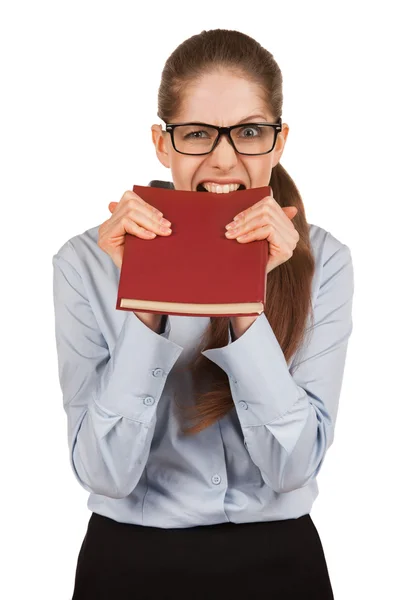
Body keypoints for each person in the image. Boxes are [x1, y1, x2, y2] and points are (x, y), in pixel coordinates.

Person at [52, 28, 353, 600]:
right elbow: (105, 475)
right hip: (128, 566)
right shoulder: (84, 263)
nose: (223, 159)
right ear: (163, 145)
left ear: (279, 140)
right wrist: (144, 302)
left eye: (248, 132)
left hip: (280, 566)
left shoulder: (325, 259)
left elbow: (292, 470)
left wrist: (245, 307)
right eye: (196, 134)